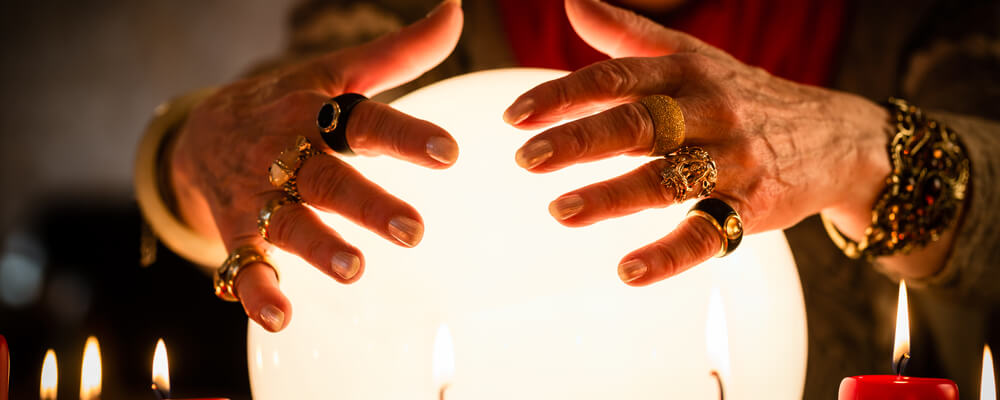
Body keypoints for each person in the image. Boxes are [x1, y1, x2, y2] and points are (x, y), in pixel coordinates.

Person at [134, 0, 1000, 396]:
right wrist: (190, 155)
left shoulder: (929, 15)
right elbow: (281, 141)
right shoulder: (422, 11)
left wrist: (867, 153)